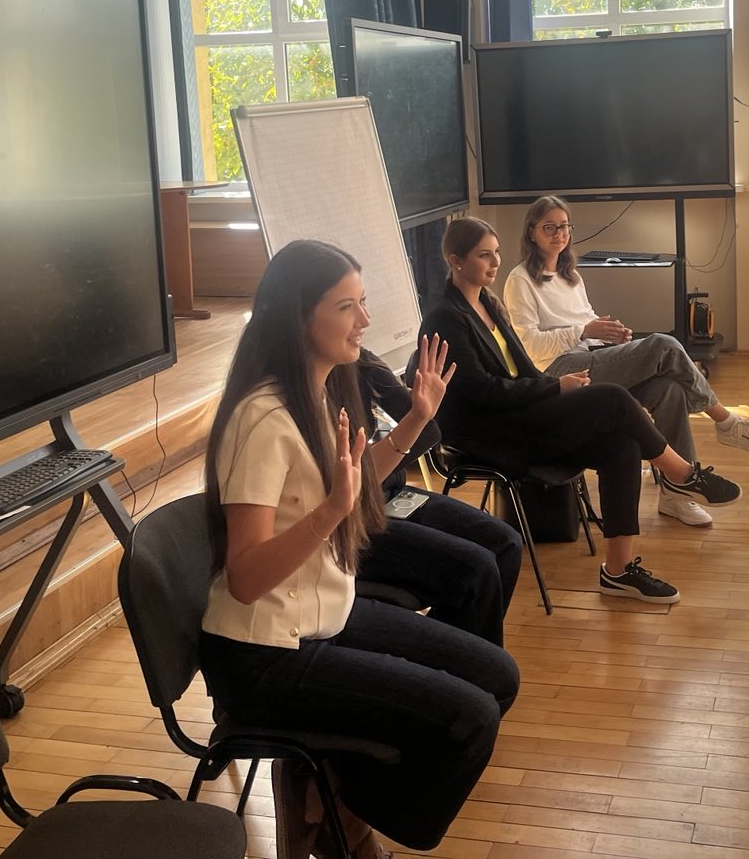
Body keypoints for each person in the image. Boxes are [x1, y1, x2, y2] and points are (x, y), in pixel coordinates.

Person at [197, 240, 519, 859]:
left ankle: (329, 800)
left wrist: (415, 420)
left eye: (363, 302)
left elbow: (350, 484)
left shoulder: (316, 392)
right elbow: (245, 577)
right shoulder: (262, 420)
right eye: (347, 307)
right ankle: (341, 817)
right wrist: (329, 514)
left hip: (324, 615)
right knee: (469, 720)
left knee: (497, 678)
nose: (365, 320)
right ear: (298, 318)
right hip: (264, 653)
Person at [419, 217, 742, 605]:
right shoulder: (445, 317)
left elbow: (522, 368)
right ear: (455, 260)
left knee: (621, 443)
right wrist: (556, 387)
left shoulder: (488, 302)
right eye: (484, 255)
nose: (496, 262)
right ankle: (682, 474)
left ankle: (618, 571)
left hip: (522, 414)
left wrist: (552, 388)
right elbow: (481, 391)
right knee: (613, 399)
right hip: (491, 434)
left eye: (497, 252)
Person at [503, 195, 749, 528]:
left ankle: (676, 496)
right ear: (531, 231)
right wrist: (585, 330)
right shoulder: (520, 280)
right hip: (557, 371)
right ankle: (726, 422)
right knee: (664, 345)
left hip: (589, 357)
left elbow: (586, 321)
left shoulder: (570, 275)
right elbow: (529, 346)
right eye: (549, 227)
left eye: (564, 226)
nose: (559, 234)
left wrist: (610, 335)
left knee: (669, 390)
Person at [354, 347, 523, 645]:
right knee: (478, 570)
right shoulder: (296, 386)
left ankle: (454, 653)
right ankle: (455, 657)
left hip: (390, 493)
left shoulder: (360, 361)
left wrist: (408, 428)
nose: (364, 323)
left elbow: (428, 431)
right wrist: (381, 461)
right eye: (349, 315)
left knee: (506, 544)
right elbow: (342, 487)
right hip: (353, 518)